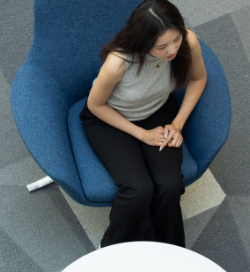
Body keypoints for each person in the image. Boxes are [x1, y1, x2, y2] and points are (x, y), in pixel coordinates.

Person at [82, 0, 207, 248]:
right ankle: (112, 253)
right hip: (110, 119)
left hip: (159, 112)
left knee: (170, 186)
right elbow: (96, 106)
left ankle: (166, 251)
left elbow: (198, 78)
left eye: (176, 39)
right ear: (143, 41)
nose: (172, 50)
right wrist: (142, 135)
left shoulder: (188, 41)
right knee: (138, 190)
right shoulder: (119, 62)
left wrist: (178, 124)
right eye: (161, 46)